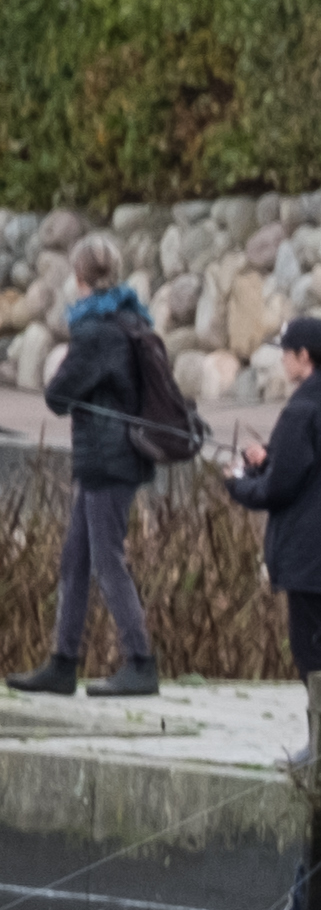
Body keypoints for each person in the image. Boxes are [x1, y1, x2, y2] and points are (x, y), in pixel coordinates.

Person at [23, 233, 170, 696]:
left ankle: (140, 661)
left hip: (107, 460)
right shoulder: (130, 320)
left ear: (79, 276)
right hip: (115, 457)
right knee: (75, 560)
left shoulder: (95, 330)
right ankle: (63, 662)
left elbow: (57, 396)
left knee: (107, 560)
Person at [227, 315, 321, 682]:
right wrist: (271, 460)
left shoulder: (301, 411)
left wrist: (239, 482)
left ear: (303, 356)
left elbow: (278, 490)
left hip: (305, 552)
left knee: (310, 651)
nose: (283, 361)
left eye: (285, 353)